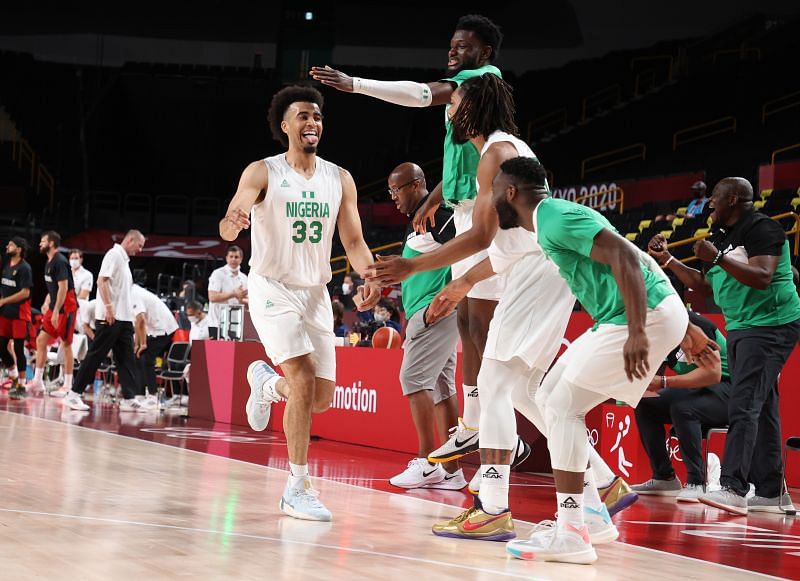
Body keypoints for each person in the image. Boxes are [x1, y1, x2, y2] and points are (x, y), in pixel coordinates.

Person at [420, 81, 632, 543]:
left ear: (472, 109)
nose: (446, 113)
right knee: (523, 390)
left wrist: (412, 266)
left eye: (452, 105)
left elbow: (479, 238)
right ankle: (600, 488)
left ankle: (492, 507)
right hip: (534, 267)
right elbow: (504, 246)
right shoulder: (498, 151)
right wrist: (462, 282)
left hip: (538, 269)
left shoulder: (495, 153)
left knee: (495, 381)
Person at [488, 156, 715, 564]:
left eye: (492, 192)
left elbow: (627, 258)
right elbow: (633, 257)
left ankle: (574, 529)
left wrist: (639, 330)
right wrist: (682, 325)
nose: (490, 201)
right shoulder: (552, 221)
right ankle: (591, 514)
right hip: (641, 314)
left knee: (559, 406)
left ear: (510, 193)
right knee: (550, 395)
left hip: (636, 317)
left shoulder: (554, 216)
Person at [312, 15, 504, 441]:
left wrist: (356, 84)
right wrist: (436, 197)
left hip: (485, 219)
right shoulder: (477, 117)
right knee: (473, 329)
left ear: (485, 53)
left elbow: (421, 95)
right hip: (467, 208)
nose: (453, 51)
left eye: (463, 46)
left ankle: (481, 426)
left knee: (482, 333)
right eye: (451, 45)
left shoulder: (477, 82)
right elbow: (461, 168)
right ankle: (473, 425)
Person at [219, 85, 380, 522]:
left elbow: (354, 241)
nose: (313, 123)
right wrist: (233, 222)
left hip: (315, 294)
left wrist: (370, 275)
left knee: (320, 398)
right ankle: (297, 486)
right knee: (304, 379)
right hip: (272, 287)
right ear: (285, 126)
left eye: (318, 117)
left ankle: (267, 386)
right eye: (304, 117)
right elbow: (233, 217)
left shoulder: (338, 178)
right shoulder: (263, 171)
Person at [649, 177, 800, 516]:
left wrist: (716, 257)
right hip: (742, 326)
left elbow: (762, 276)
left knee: (744, 402)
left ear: (733, 198)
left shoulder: (764, 229)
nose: (710, 204)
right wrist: (670, 261)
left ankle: (733, 487)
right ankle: (772, 493)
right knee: (762, 407)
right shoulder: (720, 237)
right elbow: (704, 288)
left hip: (772, 324)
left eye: (715, 197)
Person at [382, 162, 465, 490]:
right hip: (430, 310)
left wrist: (450, 294)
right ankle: (452, 470)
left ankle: (426, 462)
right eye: (390, 192)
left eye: (396, 190)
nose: (393, 198)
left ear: (416, 185)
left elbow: (466, 247)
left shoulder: (437, 215)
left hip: (434, 312)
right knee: (444, 391)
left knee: (413, 380)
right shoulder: (417, 222)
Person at [632, 311, 730, 502]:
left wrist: (664, 382)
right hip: (695, 391)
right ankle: (664, 477)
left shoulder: (697, 326)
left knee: (683, 407)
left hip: (728, 390)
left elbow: (713, 374)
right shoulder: (654, 332)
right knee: (645, 404)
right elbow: (653, 377)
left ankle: (696, 481)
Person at [65, 230, 146, 412]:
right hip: (111, 317)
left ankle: (129, 398)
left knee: (126, 359)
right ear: (130, 240)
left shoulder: (124, 261)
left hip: (124, 319)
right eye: (139, 245)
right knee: (95, 355)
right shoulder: (114, 255)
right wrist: (109, 307)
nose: (140, 250)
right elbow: (102, 281)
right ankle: (74, 394)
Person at [27, 231, 78, 398]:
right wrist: (47, 302)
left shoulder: (60, 261)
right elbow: (54, 288)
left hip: (66, 308)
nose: (40, 244)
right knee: (41, 340)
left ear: (52, 243)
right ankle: (38, 382)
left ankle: (68, 386)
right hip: (54, 307)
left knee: (66, 344)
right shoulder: (48, 262)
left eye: (43, 241)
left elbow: (64, 288)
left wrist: (56, 310)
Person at [132, 284, 179, 402]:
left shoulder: (133, 294)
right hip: (153, 329)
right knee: (137, 356)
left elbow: (141, 321)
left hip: (164, 328)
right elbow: (137, 325)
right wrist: (137, 345)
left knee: (146, 358)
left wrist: (142, 344)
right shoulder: (128, 294)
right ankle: (139, 394)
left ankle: (152, 397)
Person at [0, 237, 33, 398]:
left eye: (11, 245)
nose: (7, 246)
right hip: (5, 314)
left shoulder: (25, 268)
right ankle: (13, 375)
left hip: (19, 314)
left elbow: (25, 292)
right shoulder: (7, 266)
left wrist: (4, 300)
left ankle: (21, 384)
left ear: (19, 249)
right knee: (1, 346)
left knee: (19, 349)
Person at [207, 245, 248, 339]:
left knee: (233, 353)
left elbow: (247, 302)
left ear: (241, 259)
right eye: (231, 256)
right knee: (217, 353)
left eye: (236, 257)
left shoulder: (244, 278)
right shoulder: (218, 274)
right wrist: (234, 294)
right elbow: (212, 297)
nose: (233, 259)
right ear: (226, 258)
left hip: (236, 325)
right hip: (216, 323)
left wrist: (241, 299)